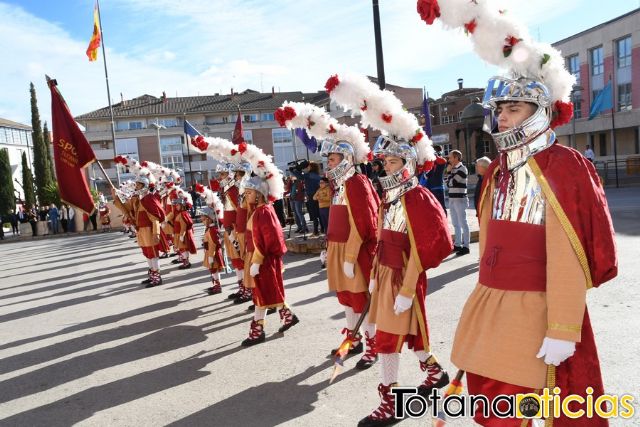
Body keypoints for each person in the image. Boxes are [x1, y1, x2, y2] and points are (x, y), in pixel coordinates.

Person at [418, 5, 620, 424]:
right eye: (501, 109)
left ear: (539, 111)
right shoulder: (500, 170)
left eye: (513, 108)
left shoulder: (562, 164)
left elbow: (568, 253)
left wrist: (564, 327)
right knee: (489, 407)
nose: (502, 117)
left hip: (538, 311)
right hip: (491, 305)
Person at [326, 73, 453, 426]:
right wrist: (375, 275)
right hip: (385, 274)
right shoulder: (390, 196)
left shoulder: (418, 197)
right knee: (401, 333)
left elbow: (426, 248)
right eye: (385, 163)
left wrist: (408, 288)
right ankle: (433, 373)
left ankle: (391, 400)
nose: (386, 167)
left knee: (388, 340)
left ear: (409, 164)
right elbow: (381, 238)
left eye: (393, 163)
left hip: (404, 278)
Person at [276, 99, 379, 369]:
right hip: (337, 249)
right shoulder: (338, 185)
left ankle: (372, 345)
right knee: (345, 298)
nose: (328, 164)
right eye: (329, 159)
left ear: (346, 158)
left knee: (360, 299)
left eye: (332, 159)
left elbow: (365, 224)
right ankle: (353, 339)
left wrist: (350, 254)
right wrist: (328, 245)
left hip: (353, 252)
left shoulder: (357, 182)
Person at [241, 174, 299, 346]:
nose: (246, 196)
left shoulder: (264, 211)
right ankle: (287, 316)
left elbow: (269, 239)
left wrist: (257, 262)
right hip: (258, 258)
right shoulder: (259, 210)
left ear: (259, 193)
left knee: (261, 295)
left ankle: (257, 331)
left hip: (263, 260)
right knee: (266, 293)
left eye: (249, 192)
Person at [112, 168, 166, 287]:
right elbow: (125, 208)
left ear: (144, 186)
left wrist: (156, 233)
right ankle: (152, 274)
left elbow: (155, 218)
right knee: (147, 253)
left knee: (153, 254)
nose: (135, 186)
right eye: (136, 184)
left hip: (149, 231)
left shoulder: (149, 199)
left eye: (138, 184)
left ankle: (157, 278)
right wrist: (115, 197)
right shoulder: (135, 199)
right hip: (140, 230)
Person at [446, 150, 470, 256]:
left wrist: (449, 173)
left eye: (450, 157)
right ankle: (457, 244)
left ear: (456, 158)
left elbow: (452, 183)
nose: (449, 160)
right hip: (452, 199)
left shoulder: (462, 169)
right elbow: (448, 184)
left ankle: (466, 246)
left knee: (463, 223)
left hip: (460, 199)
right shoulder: (453, 169)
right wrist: (449, 173)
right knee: (455, 223)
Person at [290, 161, 322, 236]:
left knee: (314, 214)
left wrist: (295, 169)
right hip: (319, 195)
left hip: (312, 196)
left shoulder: (309, 175)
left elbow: (300, 177)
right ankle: (323, 229)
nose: (307, 168)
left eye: (308, 166)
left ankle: (316, 230)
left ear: (311, 167)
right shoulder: (316, 175)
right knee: (320, 213)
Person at [423, 145, 448, 214]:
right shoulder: (431, 163)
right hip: (430, 188)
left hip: (438, 188)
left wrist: (433, 155)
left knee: (441, 207)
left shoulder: (441, 161)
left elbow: (443, 161)